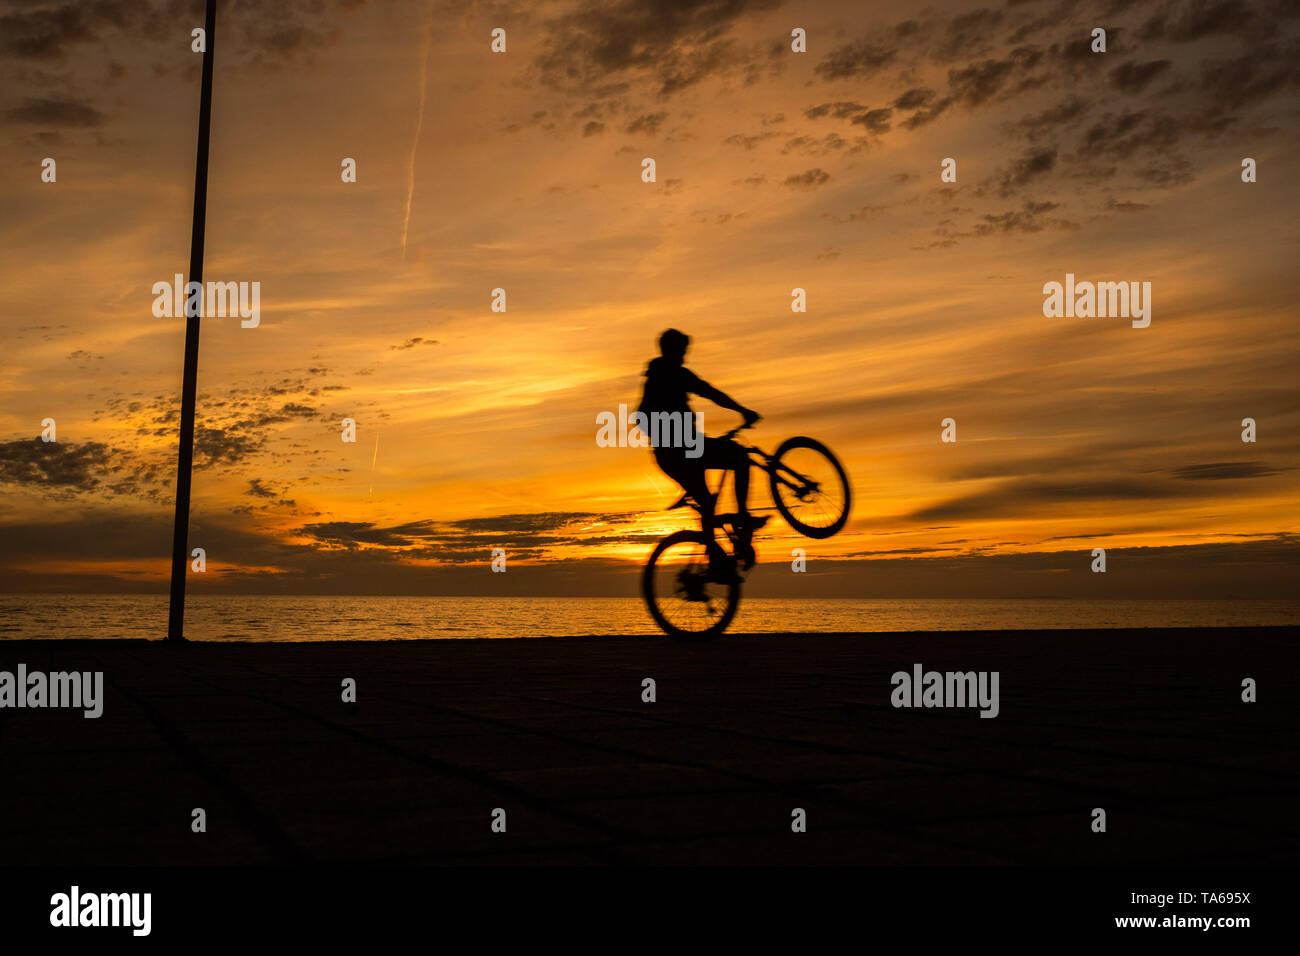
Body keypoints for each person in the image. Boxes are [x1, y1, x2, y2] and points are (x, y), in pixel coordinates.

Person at [639, 328, 767, 570]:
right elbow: (712, 393)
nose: (684, 356)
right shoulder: (673, 374)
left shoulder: (658, 376)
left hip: (671, 455)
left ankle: (715, 560)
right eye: (682, 351)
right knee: (739, 457)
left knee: (707, 502)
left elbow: (643, 417)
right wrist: (743, 411)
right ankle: (742, 520)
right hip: (683, 449)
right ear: (672, 350)